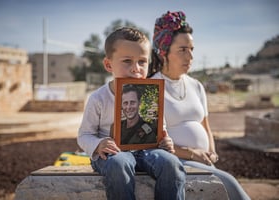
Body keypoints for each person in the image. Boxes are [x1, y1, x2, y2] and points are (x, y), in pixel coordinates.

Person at [148, 11, 251, 200]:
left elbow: (206, 126)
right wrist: (192, 153)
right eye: (182, 50)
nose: (190, 56)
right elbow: (151, 140)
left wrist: (211, 153)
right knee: (230, 184)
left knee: (225, 183)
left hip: (203, 161)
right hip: (173, 163)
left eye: (192, 49)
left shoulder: (196, 86)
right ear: (163, 52)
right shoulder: (150, 89)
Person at [78, 27, 186, 200]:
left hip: (147, 151)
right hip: (113, 155)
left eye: (142, 61)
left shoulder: (151, 95)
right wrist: (98, 145)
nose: (136, 68)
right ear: (108, 64)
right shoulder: (98, 98)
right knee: (120, 163)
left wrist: (165, 141)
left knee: (171, 164)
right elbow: (84, 135)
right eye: (127, 61)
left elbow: (160, 128)